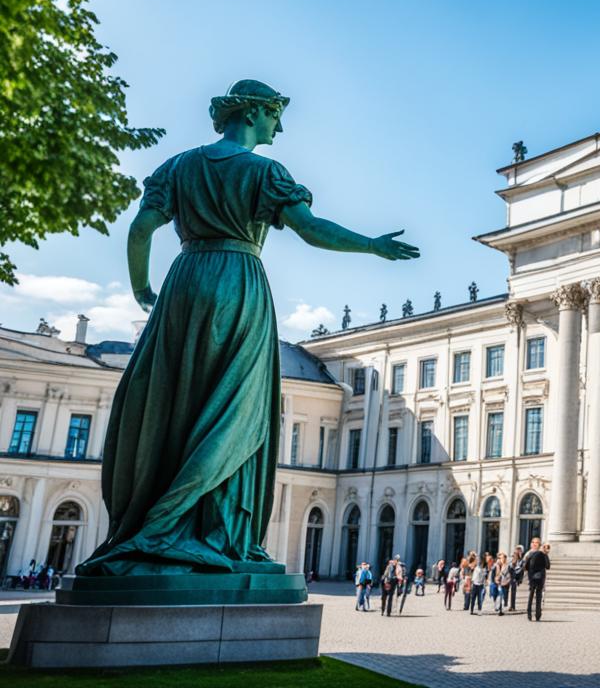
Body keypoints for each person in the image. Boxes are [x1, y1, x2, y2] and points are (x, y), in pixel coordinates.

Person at [77, 80, 417, 579]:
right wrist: (372, 245)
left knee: (177, 405)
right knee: (237, 409)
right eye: (276, 114)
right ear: (254, 112)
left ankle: (153, 525)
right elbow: (311, 229)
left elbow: (140, 229)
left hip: (183, 283)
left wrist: (143, 289)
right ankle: (212, 532)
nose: (280, 125)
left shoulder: (178, 166)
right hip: (238, 283)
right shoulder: (265, 171)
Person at [524, 539, 550, 621]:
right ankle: (538, 614)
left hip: (532, 577)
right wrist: (546, 554)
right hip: (540, 578)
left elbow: (526, 567)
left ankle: (529, 613)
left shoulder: (530, 554)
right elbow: (548, 566)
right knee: (539, 595)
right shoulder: (543, 554)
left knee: (531, 595)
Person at [509, 546, 525, 611]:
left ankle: (513, 606)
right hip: (512, 577)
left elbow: (522, 569)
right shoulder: (512, 560)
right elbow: (510, 569)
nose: (518, 552)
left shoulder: (522, 561)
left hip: (518, 578)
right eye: (517, 551)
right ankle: (512, 606)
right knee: (512, 592)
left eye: (519, 551)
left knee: (514, 592)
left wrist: (520, 579)